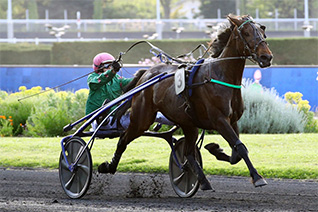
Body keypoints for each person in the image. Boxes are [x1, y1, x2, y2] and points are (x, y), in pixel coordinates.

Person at [86, 52, 173, 131]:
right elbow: (98, 81)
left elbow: (131, 84)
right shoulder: (92, 77)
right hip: (98, 122)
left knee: (150, 113)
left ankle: (177, 119)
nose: (110, 68)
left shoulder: (117, 80)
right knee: (104, 119)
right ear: (99, 67)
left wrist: (142, 77)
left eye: (111, 65)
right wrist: (112, 71)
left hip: (118, 119)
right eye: (107, 66)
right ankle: (102, 117)